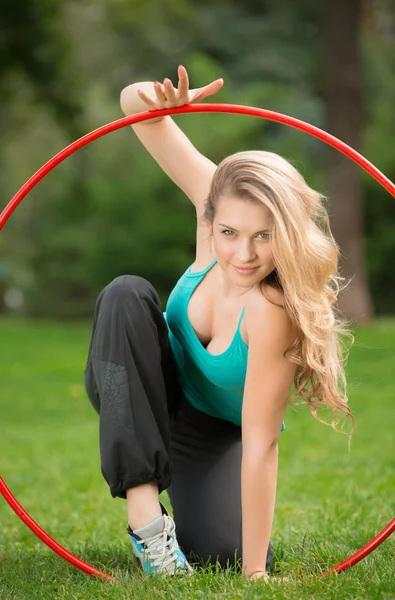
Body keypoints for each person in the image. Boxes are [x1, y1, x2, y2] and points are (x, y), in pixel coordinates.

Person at [84, 65, 354, 581]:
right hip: (137, 378)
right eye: (229, 232)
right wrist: (165, 105)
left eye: (264, 236)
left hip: (210, 431)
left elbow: (260, 444)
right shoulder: (216, 198)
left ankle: (209, 537)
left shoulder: (272, 311)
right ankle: (146, 520)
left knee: (222, 555)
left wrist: (254, 571)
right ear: (209, 219)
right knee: (124, 293)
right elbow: (130, 101)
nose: (244, 254)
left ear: (289, 233)